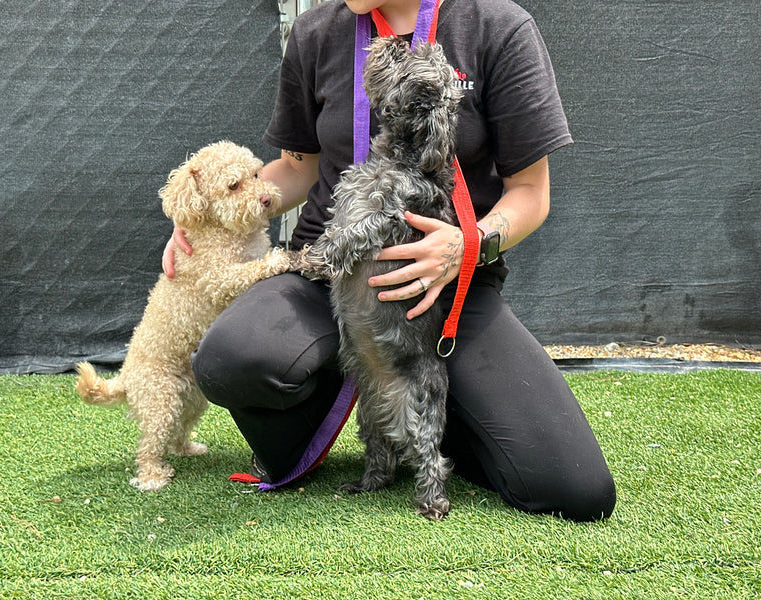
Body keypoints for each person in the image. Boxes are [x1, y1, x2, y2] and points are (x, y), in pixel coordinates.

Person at [164, 0, 616, 521]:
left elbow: (531, 194)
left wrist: (467, 245)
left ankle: (442, 420)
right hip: (330, 269)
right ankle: (333, 409)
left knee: (576, 489)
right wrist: (203, 216)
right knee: (228, 358)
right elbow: (296, 169)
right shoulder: (316, 32)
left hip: (445, 288)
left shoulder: (498, 27)